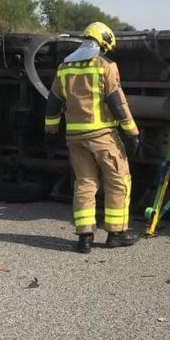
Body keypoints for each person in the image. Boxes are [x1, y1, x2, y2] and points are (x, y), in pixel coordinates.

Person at [44, 22, 140, 254]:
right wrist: (132, 132)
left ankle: (84, 237)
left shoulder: (64, 68)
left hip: (75, 137)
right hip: (102, 136)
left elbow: (54, 102)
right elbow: (117, 102)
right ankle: (116, 233)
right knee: (118, 180)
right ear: (104, 43)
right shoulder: (104, 66)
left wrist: (51, 131)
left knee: (85, 184)